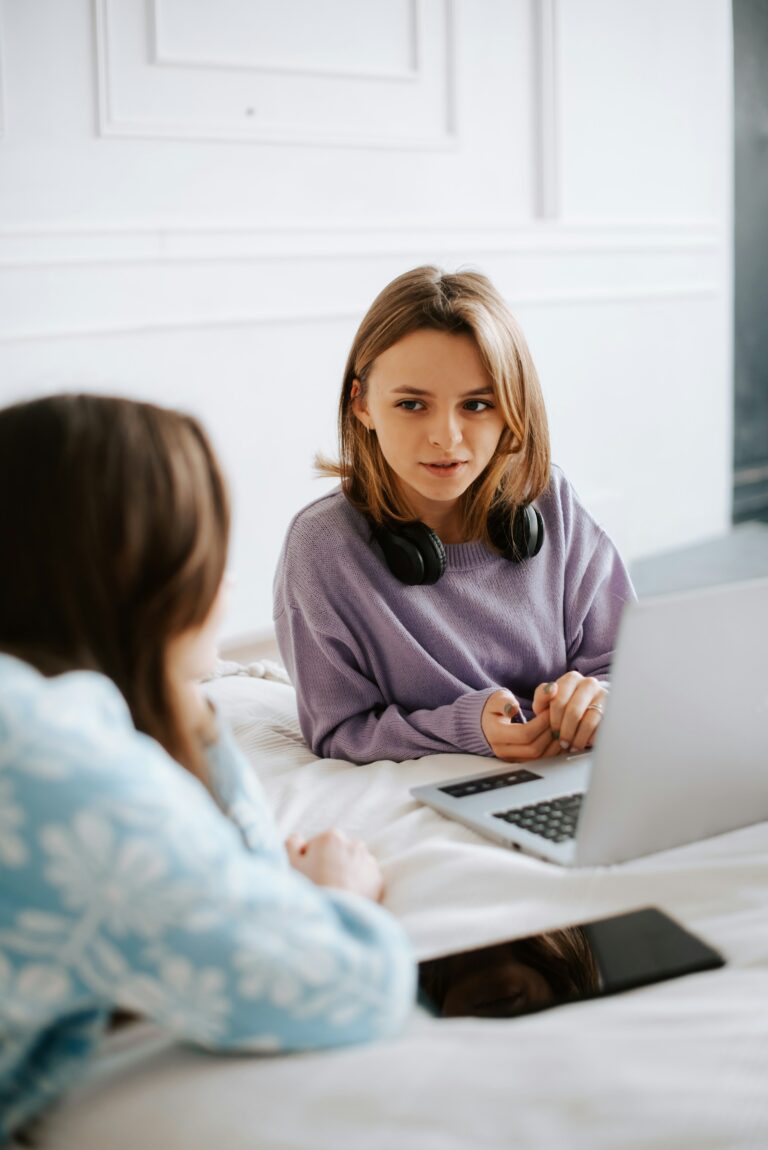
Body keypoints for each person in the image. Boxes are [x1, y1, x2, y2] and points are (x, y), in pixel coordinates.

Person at [0, 394, 414, 1143]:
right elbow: (349, 983)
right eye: (207, 554)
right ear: (144, 576)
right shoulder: (59, 765)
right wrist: (339, 893)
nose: (225, 593)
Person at [274, 265, 635, 765]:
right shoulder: (322, 546)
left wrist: (598, 700)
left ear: (512, 408)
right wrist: (464, 729)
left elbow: (626, 666)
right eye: (412, 404)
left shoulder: (550, 500)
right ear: (362, 405)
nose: (446, 437)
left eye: (477, 404)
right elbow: (340, 730)